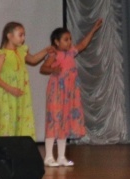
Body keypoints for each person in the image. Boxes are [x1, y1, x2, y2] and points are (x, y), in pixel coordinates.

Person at [39, 19, 102, 167]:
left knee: (64, 123)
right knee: (53, 121)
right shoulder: (54, 54)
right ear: (57, 42)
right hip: (57, 92)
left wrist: (93, 29)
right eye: (66, 39)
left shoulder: (71, 52)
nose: (69, 42)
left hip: (69, 94)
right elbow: (43, 68)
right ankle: (49, 157)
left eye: (70, 39)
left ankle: (61, 157)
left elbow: (83, 45)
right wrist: (53, 69)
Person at [0, 22, 52, 138]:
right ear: (9, 36)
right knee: (7, 123)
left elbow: (33, 59)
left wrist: (46, 50)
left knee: (22, 122)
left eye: (24, 35)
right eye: (20, 35)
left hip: (21, 93)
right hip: (7, 94)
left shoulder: (21, 51)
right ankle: (6, 148)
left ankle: (20, 147)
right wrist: (10, 89)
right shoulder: (2, 54)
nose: (23, 38)